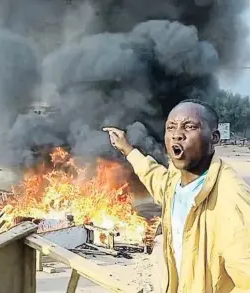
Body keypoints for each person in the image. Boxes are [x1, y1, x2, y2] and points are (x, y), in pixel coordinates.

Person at [104, 99, 250, 293]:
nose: (177, 135)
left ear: (215, 137)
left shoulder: (230, 196)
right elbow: (156, 179)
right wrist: (128, 149)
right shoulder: (176, 181)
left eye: (189, 127)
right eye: (171, 128)